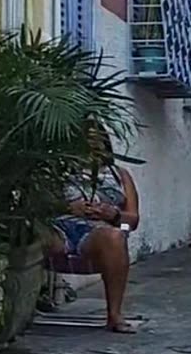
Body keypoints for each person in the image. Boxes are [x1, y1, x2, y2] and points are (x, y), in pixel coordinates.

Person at [49, 128, 142, 333]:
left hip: (98, 233)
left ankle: (114, 315)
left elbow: (132, 222)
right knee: (30, 233)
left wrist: (114, 216)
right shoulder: (59, 169)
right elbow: (36, 206)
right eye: (86, 138)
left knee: (115, 236)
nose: (92, 144)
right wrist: (67, 208)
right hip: (59, 227)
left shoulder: (119, 175)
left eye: (96, 139)